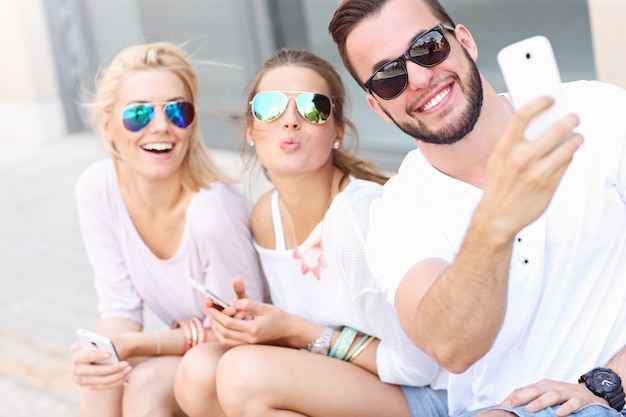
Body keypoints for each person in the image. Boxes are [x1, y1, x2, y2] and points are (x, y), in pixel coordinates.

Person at [329, 1, 626, 417]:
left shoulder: (600, 115)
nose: (417, 78)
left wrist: (609, 384)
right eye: (389, 77)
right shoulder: (396, 214)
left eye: (427, 47)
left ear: (464, 42)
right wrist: (495, 221)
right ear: (377, 106)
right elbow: (451, 347)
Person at [173, 48, 448, 417]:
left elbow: (418, 366)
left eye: (312, 107)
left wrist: (297, 332)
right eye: (270, 107)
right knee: (199, 370)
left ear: (338, 133)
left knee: (244, 375)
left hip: (424, 397)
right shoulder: (265, 215)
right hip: (346, 383)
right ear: (251, 130)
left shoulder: (358, 218)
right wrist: (251, 323)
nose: (290, 121)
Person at [69, 41, 267, 417]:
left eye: (177, 111)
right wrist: (100, 352)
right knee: (101, 372)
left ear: (191, 125)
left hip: (245, 359)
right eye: (139, 114)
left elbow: (242, 327)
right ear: (108, 126)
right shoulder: (97, 189)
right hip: (193, 350)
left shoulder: (214, 212)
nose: (161, 125)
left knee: (145, 385)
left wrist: (139, 343)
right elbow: (118, 306)